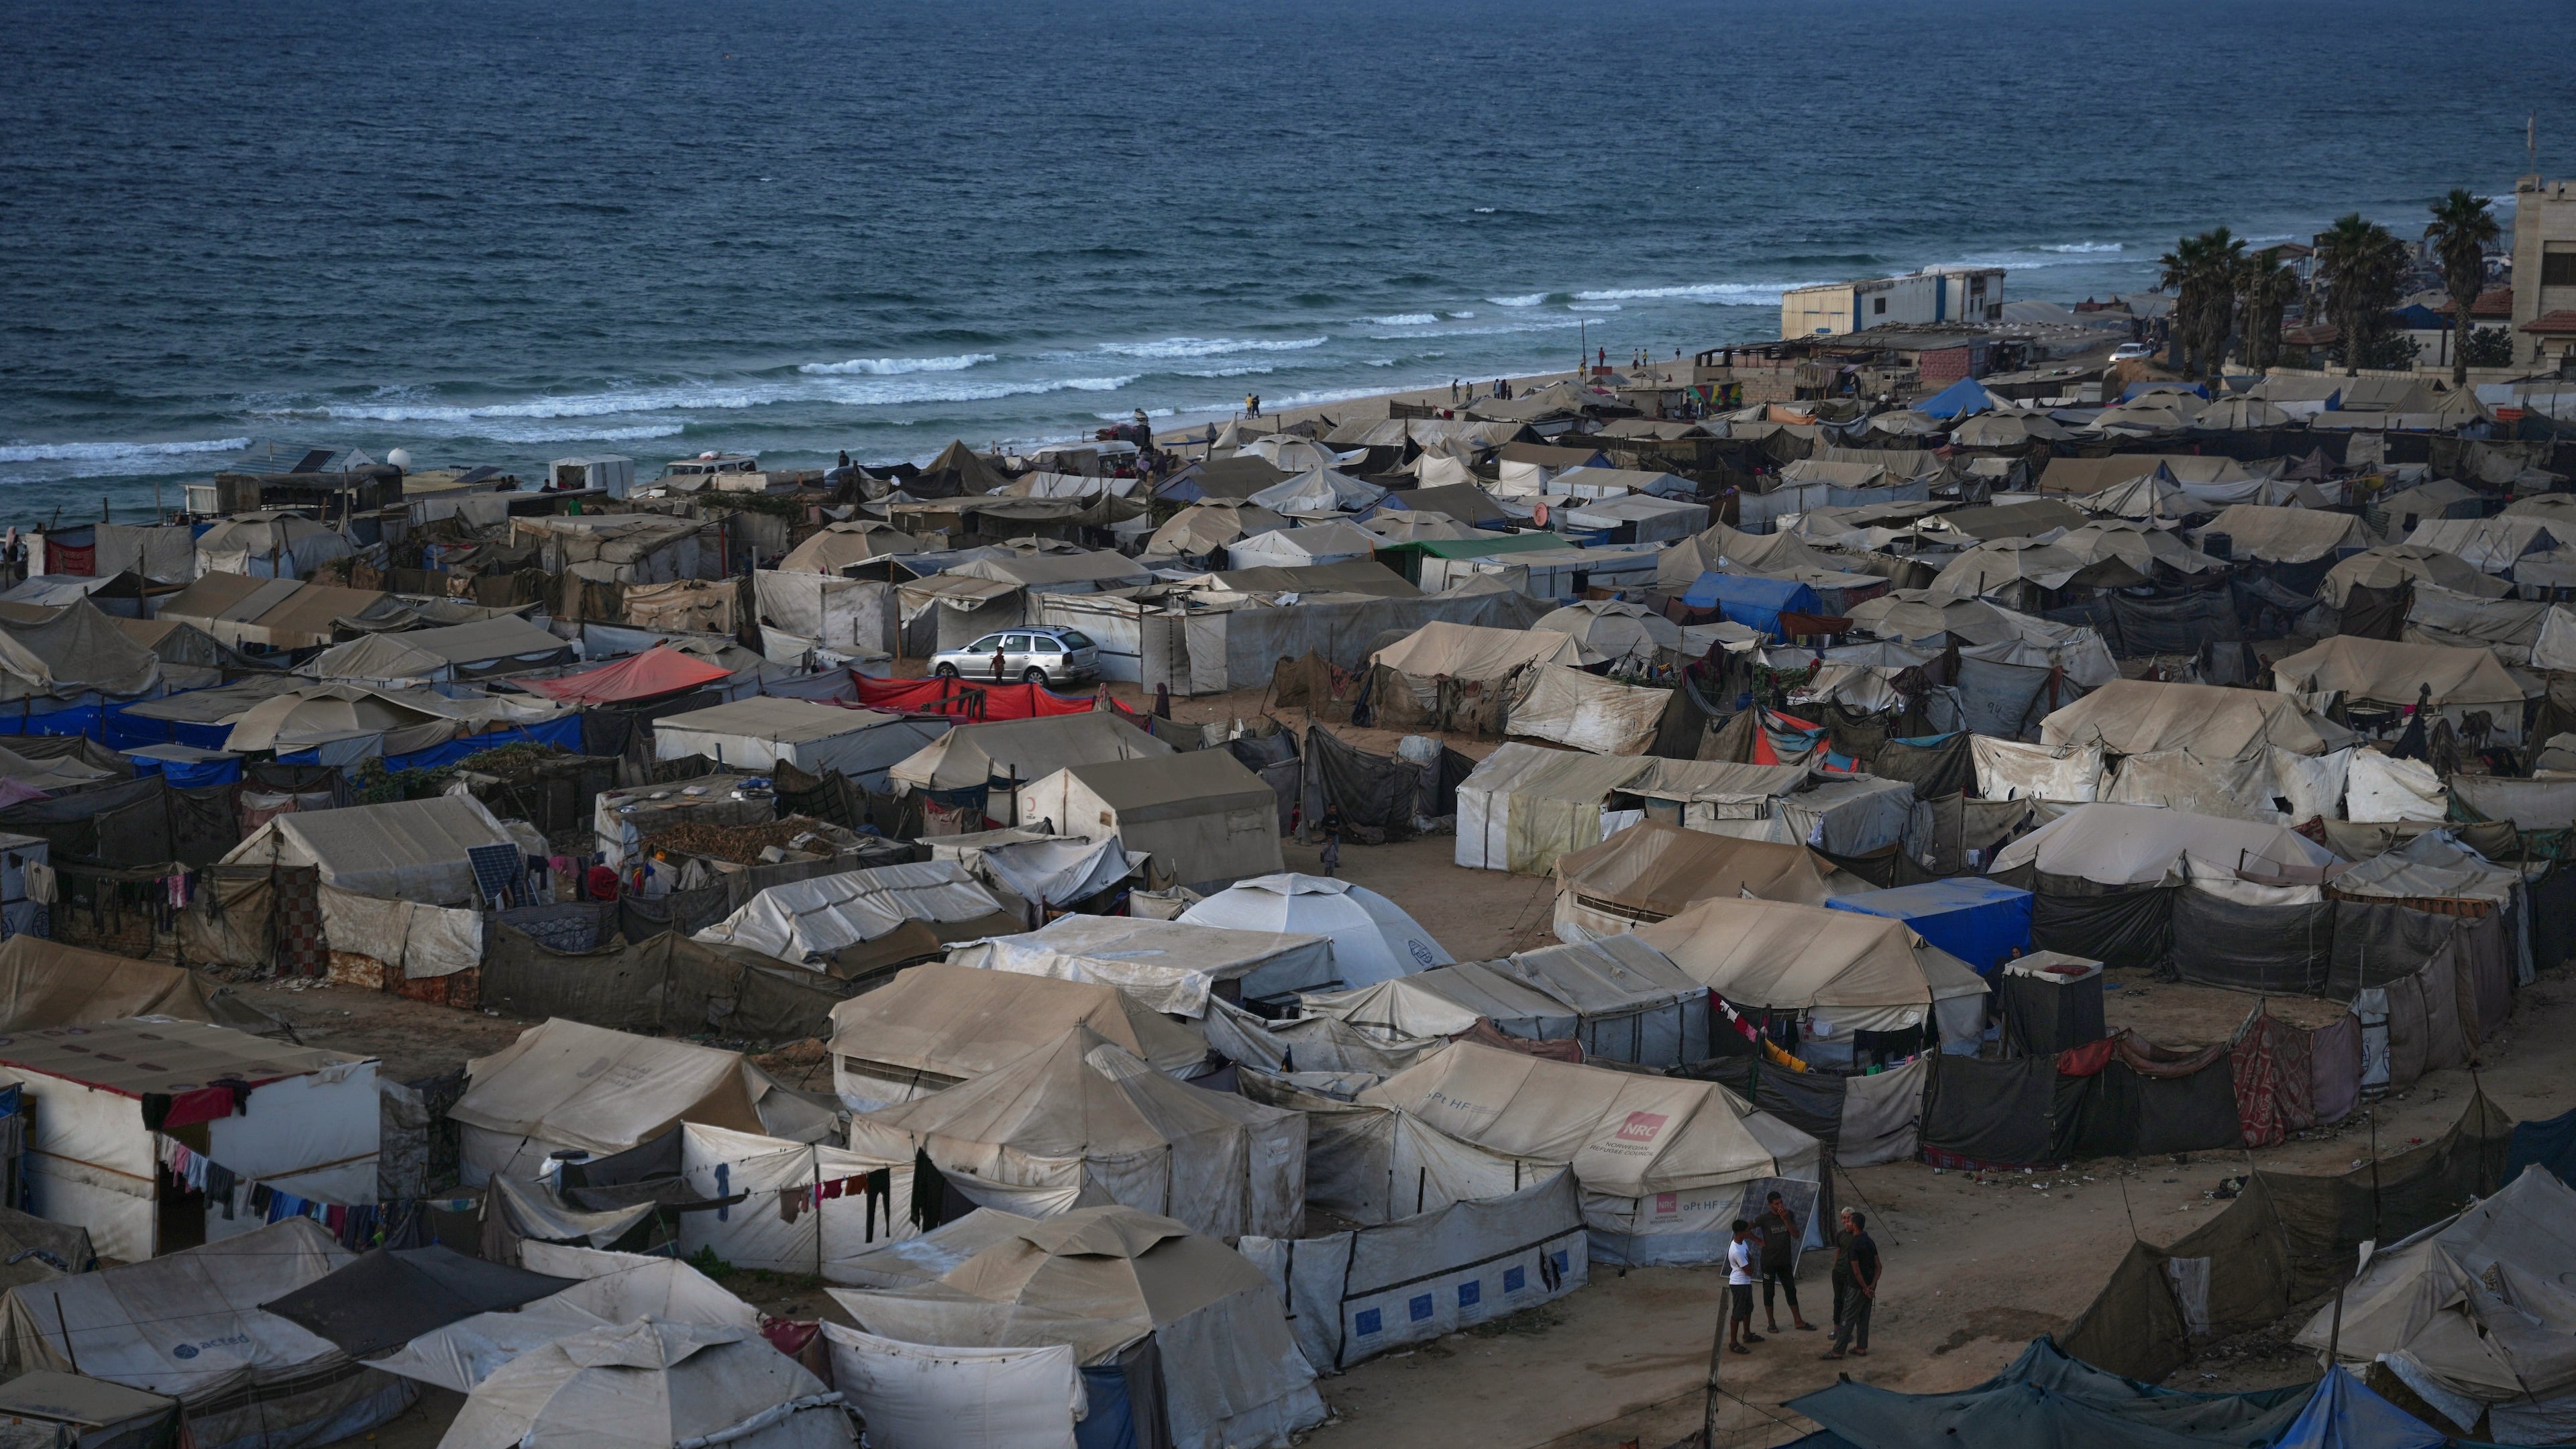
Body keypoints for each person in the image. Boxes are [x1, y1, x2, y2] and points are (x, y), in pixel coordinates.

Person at [1823, 1208, 1880, 1360]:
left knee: (1847, 1318)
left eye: (1849, 1221)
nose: (1846, 1223)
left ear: (1854, 1225)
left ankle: (1838, 1351)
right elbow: (1878, 1266)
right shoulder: (1869, 1241)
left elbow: (1856, 1271)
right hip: (1869, 1286)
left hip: (1856, 1287)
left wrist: (1864, 1287)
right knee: (1863, 1319)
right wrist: (1872, 1286)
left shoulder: (1854, 1244)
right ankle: (1861, 1347)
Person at [1758, 1191, 1813, 1332]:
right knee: (1769, 1292)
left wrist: (1785, 1220)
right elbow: (1745, 1228)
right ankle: (1771, 1323)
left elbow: (1796, 1235)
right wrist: (1758, 1241)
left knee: (1791, 1290)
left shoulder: (1789, 1214)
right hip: (1769, 1263)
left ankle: (1798, 1321)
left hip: (1784, 1261)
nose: (1780, 1206)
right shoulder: (1764, 1218)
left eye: (1781, 1202)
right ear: (1770, 1205)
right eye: (1776, 1204)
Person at [1725, 1220, 1762, 1354]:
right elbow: (1749, 1271)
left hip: (1745, 1283)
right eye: (1747, 1231)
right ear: (1740, 1233)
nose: (1749, 1232)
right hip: (1739, 1284)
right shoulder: (1737, 1252)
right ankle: (1733, 1342)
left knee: (1748, 1309)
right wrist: (1752, 1262)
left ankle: (1747, 1334)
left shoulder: (1742, 1243)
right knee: (1738, 1313)